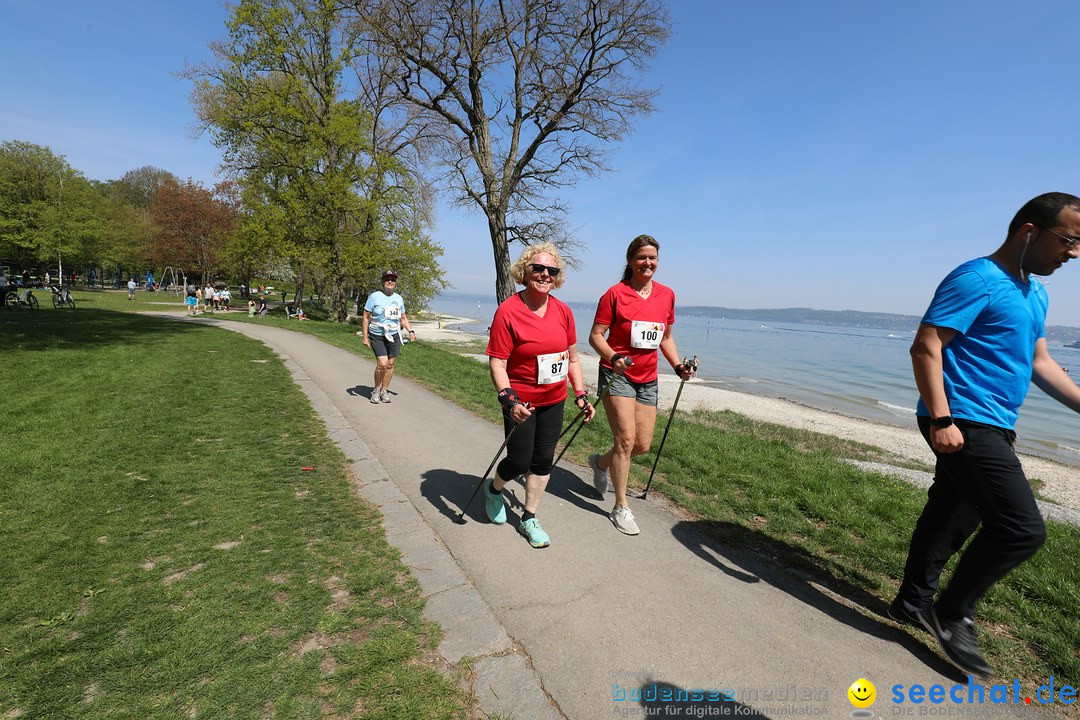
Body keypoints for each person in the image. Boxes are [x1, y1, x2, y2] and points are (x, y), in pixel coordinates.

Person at [889, 192, 1080, 678]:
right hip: (961, 418)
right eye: (1069, 240)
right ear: (1030, 231)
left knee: (952, 514)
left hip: (994, 420)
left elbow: (1038, 362)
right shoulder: (977, 278)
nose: (1074, 253)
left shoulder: (1034, 291)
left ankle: (912, 603)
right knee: (1021, 529)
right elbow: (927, 346)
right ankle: (951, 613)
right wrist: (940, 420)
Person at [485, 244, 595, 548]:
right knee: (519, 462)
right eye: (538, 268)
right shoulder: (509, 311)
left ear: (557, 277)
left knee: (543, 461)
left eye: (552, 271)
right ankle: (494, 490)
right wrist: (508, 399)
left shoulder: (563, 311)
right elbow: (498, 361)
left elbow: (572, 358)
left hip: (554, 398)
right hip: (522, 401)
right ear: (525, 272)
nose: (545, 274)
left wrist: (581, 395)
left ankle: (529, 517)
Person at [587, 235, 695, 536]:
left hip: (648, 378)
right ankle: (620, 507)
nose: (648, 263)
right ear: (630, 261)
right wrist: (614, 356)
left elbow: (666, 337)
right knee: (625, 440)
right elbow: (596, 336)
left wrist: (677, 366)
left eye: (653, 258)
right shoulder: (615, 294)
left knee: (641, 445)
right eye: (642, 257)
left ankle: (600, 463)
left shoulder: (667, 295)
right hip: (617, 375)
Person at [362, 270, 416, 404]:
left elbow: (403, 318)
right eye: (387, 279)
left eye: (393, 280)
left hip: (394, 334)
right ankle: (375, 389)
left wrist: (411, 331)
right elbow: (366, 317)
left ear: (395, 283)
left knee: (390, 365)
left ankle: (384, 390)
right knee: (382, 364)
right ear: (382, 282)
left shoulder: (398, 299)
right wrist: (365, 337)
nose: (390, 282)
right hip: (377, 334)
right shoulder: (375, 297)